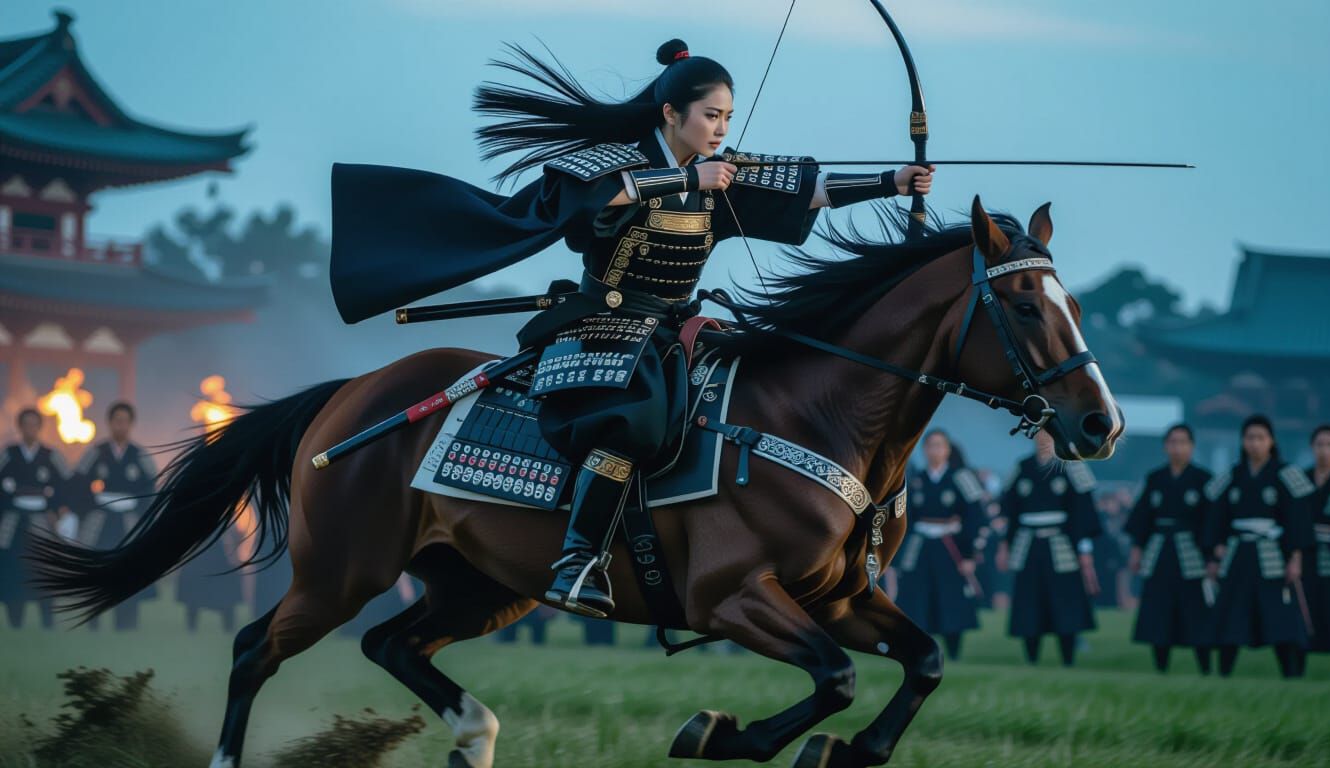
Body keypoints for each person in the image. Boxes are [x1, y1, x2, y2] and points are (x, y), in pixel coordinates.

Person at [329, 39, 935, 618]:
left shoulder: (719, 172)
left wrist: (891, 182)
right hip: (604, 325)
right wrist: (685, 180)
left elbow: (808, 193)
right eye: (710, 116)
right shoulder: (616, 165)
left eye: (728, 117)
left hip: (676, 326)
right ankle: (579, 559)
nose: (721, 129)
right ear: (671, 113)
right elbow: (588, 200)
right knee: (633, 419)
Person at [1204, 414, 1311, 678]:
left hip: (1272, 556)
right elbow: (1216, 516)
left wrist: (1295, 558)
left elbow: (1297, 519)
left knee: (1279, 618)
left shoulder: (1286, 475)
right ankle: (1224, 673)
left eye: (1260, 438)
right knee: (1232, 615)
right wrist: (1215, 549)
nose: (1255, 443)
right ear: (1242, 441)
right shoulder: (1232, 475)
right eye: (1250, 438)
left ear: (1271, 441)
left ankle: (1290, 673)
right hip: (1238, 554)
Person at [996, 430, 1102, 666]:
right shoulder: (1022, 467)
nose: (1043, 438)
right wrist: (1004, 545)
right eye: (1039, 433)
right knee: (1029, 601)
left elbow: (1083, 511)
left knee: (1065, 600)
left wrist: (1084, 551)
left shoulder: (1071, 465)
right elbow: (1009, 510)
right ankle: (1031, 657)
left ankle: (1068, 658)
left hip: (1061, 543)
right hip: (1027, 543)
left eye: (1049, 432)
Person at [1124, 424, 1215, 674]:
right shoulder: (1155, 478)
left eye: (1183, 442)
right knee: (1158, 609)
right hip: (1159, 550)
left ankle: (1205, 668)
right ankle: (1160, 666)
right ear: (1166, 446)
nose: (1177, 447)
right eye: (1173, 442)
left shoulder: (1204, 480)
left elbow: (1212, 521)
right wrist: (1137, 550)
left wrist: (1211, 557)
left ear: (1192, 446)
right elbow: (1142, 518)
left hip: (1191, 553)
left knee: (1196, 610)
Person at [895, 429, 985, 660]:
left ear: (947, 450)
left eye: (940, 446)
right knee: (916, 597)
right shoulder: (914, 479)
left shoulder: (962, 477)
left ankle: (954, 651)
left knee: (951, 599)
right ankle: (920, 650)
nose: (935, 450)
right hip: (921, 544)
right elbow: (906, 518)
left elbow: (975, 515)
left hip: (950, 544)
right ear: (924, 450)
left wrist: (969, 554)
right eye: (930, 446)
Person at [72, 402, 159, 630]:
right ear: (109, 423)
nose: (120, 425)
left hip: (129, 522)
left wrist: (139, 510)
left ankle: (126, 623)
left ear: (131, 424)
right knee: (98, 569)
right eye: (116, 420)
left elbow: (151, 487)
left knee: (129, 569)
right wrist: (91, 505)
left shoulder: (140, 455)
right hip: (100, 521)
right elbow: (79, 483)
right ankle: (93, 623)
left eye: (125, 421)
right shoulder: (95, 452)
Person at [0, 409, 70, 629]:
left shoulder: (51, 456)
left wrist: (56, 511)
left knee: (43, 571)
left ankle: (47, 622)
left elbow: (65, 485)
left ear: (40, 427)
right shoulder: (8, 454)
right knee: (12, 572)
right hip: (12, 525)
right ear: (20, 427)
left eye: (34, 424)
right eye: (26, 424)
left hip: (42, 524)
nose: (30, 429)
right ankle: (15, 623)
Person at [1300, 424, 1330, 678]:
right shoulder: (1301, 481)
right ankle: (1297, 671)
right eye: (1320, 445)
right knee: (1304, 611)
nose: (1324, 451)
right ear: (1312, 448)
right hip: (1306, 555)